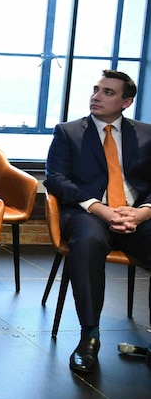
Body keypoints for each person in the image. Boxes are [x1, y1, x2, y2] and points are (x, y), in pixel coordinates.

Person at [44, 69, 151, 374]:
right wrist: (98, 207)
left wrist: (144, 211)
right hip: (88, 213)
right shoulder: (69, 132)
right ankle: (89, 335)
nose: (96, 96)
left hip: (137, 215)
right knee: (88, 243)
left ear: (127, 102)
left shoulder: (146, 134)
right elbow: (55, 179)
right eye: (95, 89)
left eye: (108, 92)